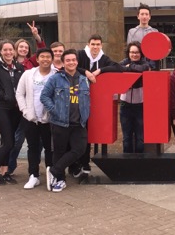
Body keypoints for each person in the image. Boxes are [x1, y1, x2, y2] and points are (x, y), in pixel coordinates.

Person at [40, 49, 91, 193]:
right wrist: (54, 110)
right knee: (59, 151)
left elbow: (87, 99)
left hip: (78, 122)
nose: (71, 62)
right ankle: (60, 180)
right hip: (60, 122)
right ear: (63, 62)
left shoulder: (83, 79)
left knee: (79, 149)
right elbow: (44, 96)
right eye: (68, 60)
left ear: (77, 61)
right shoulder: (56, 78)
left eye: (73, 60)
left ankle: (54, 170)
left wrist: (86, 113)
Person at [73, 34, 124, 175]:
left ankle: (85, 163)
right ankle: (78, 164)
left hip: (95, 103)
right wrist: (87, 72)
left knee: (89, 133)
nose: (95, 47)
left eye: (98, 44)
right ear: (88, 44)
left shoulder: (103, 58)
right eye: (93, 44)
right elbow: (72, 66)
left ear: (101, 45)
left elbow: (118, 68)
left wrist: (100, 70)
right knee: (79, 134)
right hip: (77, 99)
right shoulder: (80, 54)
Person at [0, 39, 25, 185]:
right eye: (5, 50)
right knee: (8, 142)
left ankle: (4, 171)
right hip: (1, 108)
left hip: (15, 109)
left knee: (8, 141)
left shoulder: (19, 67)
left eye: (10, 50)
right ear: (0, 51)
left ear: (14, 52)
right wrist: (3, 95)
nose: (8, 52)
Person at [15, 47, 55, 189]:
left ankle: (51, 173)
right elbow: (19, 94)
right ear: (37, 59)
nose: (45, 59)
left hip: (49, 119)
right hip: (31, 118)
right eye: (42, 57)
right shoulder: (28, 74)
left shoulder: (56, 75)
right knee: (32, 147)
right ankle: (34, 175)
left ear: (52, 59)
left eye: (48, 57)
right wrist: (25, 111)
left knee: (50, 148)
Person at [119, 41, 151, 153]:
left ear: (141, 53)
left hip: (140, 105)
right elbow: (118, 68)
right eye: (132, 52)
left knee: (140, 138)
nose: (134, 55)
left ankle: (139, 163)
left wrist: (130, 67)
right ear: (128, 53)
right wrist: (131, 68)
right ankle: (127, 164)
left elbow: (144, 68)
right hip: (125, 105)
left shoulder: (145, 63)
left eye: (137, 52)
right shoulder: (123, 62)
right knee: (126, 138)